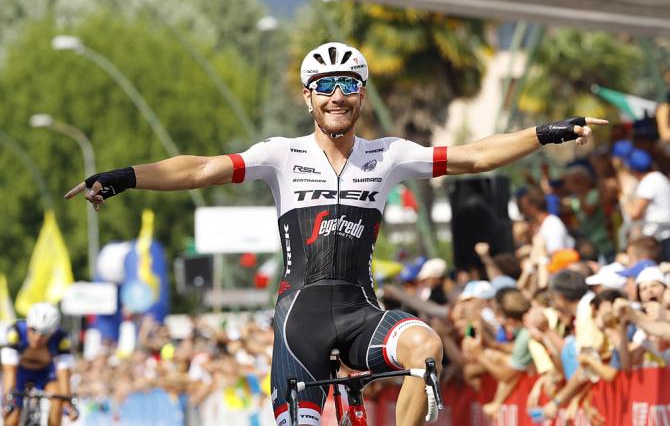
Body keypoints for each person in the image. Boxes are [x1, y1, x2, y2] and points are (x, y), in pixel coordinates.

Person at [65, 41, 606, 426]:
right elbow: (199, 169)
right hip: (299, 318)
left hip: (361, 311)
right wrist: (122, 179)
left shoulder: (387, 155)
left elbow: (472, 156)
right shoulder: (281, 155)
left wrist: (546, 132)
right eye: (325, 86)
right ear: (308, 97)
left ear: (362, 95)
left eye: (347, 85)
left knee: (425, 343)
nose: (336, 96)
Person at [1, 303, 77, 426]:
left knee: (57, 400)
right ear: (28, 325)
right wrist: (8, 401)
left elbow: (64, 373)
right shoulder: (16, 333)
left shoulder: (61, 339)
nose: (37, 337)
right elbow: (9, 371)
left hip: (45, 374)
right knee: (12, 415)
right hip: (19, 374)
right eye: (34, 330)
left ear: (53, 332)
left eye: (44, 333)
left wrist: (68, 404)